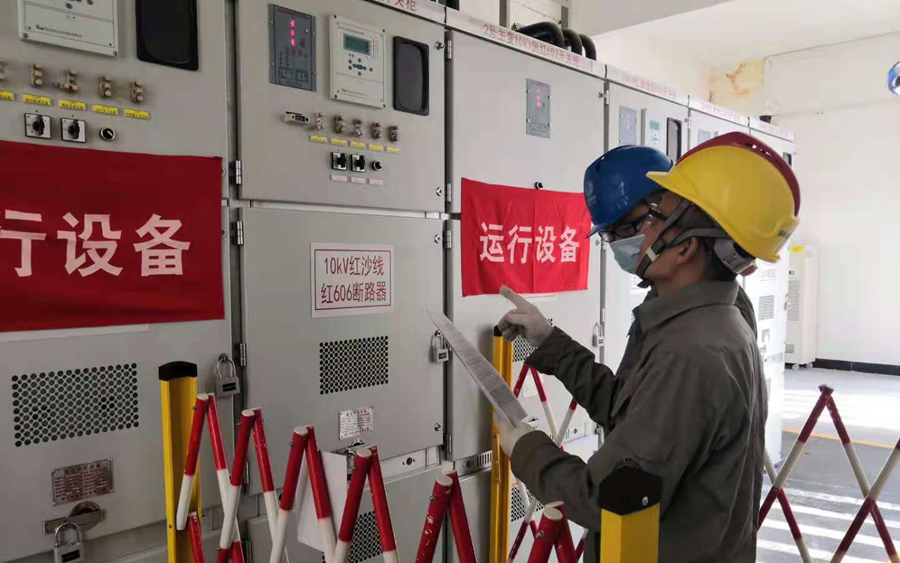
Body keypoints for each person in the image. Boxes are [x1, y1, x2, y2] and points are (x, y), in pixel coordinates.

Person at [493, 133, 800, 563]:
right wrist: (551, 342)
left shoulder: (692, 351)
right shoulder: (701, 317)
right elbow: (631, 410)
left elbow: (604, 497)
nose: (639, 234)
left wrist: (526, 448)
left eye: (656, 218)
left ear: (686, 247)